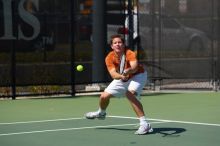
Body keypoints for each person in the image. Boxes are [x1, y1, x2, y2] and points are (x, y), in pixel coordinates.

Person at [85, 34, 153, 135]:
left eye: (120, 42)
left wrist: (128, 71)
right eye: (115, 43)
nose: (118, 44)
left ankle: (144, 124)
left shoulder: (129, 53)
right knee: (104, 97)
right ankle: (101, 113)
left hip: (138, 76)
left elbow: (134, 67)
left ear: (123, 44)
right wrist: (121, 76)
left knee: (130, 94)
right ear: (112, 46)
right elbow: (113, 73)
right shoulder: (109, 57)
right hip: (122, 77)